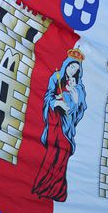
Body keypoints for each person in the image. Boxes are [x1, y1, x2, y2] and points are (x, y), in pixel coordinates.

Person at [31, 49, 86, 202]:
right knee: (51, 153)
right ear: (66, 65)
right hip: (55, 121)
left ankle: (56, 191)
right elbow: (48, 96)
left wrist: (75, 98)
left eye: (76, 69)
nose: (72, 71)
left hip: (67, 126)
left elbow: (80, 108)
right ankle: (42, 186)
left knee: (63, 154)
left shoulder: (79, 87)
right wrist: (56, 102)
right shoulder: (56, 78)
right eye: (71, 67)